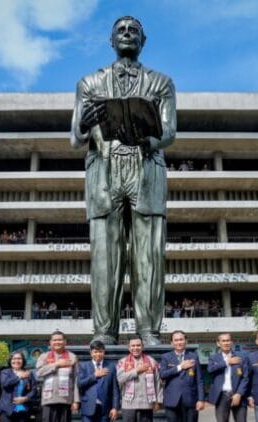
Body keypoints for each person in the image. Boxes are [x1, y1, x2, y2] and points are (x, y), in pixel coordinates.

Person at [70, 16, 176, 346]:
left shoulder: (161, 82)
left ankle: (148, 330)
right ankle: (104, 331)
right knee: (104, 257)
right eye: (121, 30)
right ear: (111, 41)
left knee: (149, 256)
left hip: (146, 166)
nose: (127, 34)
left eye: (134, 31)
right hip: (104, 169)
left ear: (143, 40)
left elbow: (170, 131)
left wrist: (151, 141)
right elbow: (75, 137)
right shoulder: (89, 83)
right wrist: (84, 126)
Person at [116, 334, 163, 422]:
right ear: (128, 347)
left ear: (142, 346)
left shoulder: (151, 361)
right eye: (133, 346)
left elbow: (158, 383)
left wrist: (158, 401)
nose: (136, 348)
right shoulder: (122, 362)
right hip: (128, 404)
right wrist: (137, 370)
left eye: (138, 345)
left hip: (146, 404)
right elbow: (120, 379)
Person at [159, 330, 205, 422]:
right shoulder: (166, 357)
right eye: (176, 340)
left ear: (186, 341)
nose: (179, 342)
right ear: (171, 343)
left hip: (190, 401)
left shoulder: (194, 356)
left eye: (181, 339)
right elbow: (163, 374)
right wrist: (180, 367)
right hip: (172, 402)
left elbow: (199, 380)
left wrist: (201, 399)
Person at [35, 331, 80, 422]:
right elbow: (38, 373)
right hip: (48, 401)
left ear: (65, 341)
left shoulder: (72, 357)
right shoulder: (43, 357)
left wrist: (76, 400)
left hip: (65, 401)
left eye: (60, 340)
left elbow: (76, 380)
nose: (57, 342)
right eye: (54, 340)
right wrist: (56, 364)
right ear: (50, 343)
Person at [207, 333, 251, 422]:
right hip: (221, 397)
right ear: (218, 343)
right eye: (223, 341)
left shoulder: (242, 357)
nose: (226, 343)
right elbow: (210, 370)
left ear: (232, 342)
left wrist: (239, 393)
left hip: (238, 396)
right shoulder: (214, 358)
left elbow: (246, 377)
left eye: (228, 340)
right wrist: (227, 362)